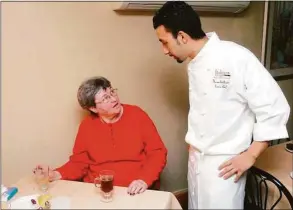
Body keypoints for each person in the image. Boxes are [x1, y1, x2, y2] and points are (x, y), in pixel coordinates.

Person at [152, 1, 290, 209]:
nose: (164, 50)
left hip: (225, 163)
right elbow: (209, 108)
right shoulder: (195, 61)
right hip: (197, 158)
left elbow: (274, 107)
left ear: (182, 37)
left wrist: (251, 154)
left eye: (164, 42)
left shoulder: (236, 57)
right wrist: (195, 142)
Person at [33, 76, 167, 195]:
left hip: (135, 189)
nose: (114, 99)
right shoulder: (87, 126)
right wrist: (55, 174)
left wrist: (144, 180)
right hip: (99, 190)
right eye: (105, 98)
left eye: (112, 92)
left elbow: (157, 152)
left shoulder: (137, 115)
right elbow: (79, 162)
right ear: (93, 108)